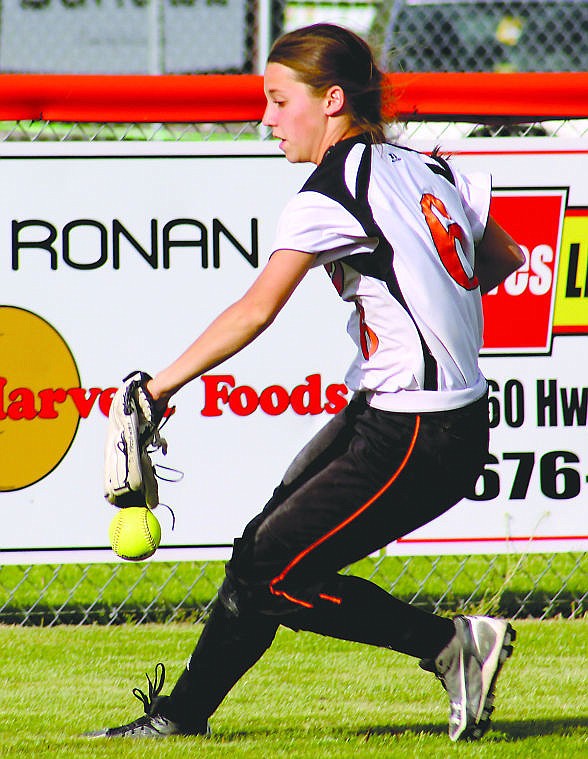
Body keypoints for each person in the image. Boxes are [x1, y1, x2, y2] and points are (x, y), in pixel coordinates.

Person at [87, 23, 524, 743]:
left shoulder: (331, 187)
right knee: (260, 551)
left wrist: (158, 388)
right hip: (412, 414)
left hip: (419, 430)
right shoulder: (425, 168)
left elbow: (257, 309)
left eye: (277, 100)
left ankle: (452, 645)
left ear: (331, 100)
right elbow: (503, 257)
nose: (266, 119)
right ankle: (178, 716)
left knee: (277, 573)